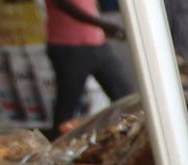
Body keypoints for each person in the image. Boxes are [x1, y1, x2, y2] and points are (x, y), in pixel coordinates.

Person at [46, 0, 136, 136]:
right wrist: (102, 25)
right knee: (66, 109)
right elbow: (63, 3)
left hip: (98, 44)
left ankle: (130, 142)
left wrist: (101, 27)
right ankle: (57, 151)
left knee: (126, 96)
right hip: (69, 47)